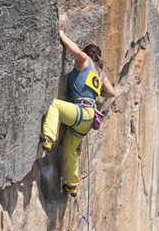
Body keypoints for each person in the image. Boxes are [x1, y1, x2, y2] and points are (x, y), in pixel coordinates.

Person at [39, 28, 115, 196]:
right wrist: (95, 92)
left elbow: (76, 51)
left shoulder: (85, 61)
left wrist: (62, 35)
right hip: (88, 119)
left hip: (80, 112)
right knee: (70, 150)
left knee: (54, 105)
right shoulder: (100, 74)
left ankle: (48, 137)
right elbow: (111, 92)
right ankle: (72, 185)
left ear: (89, 54)